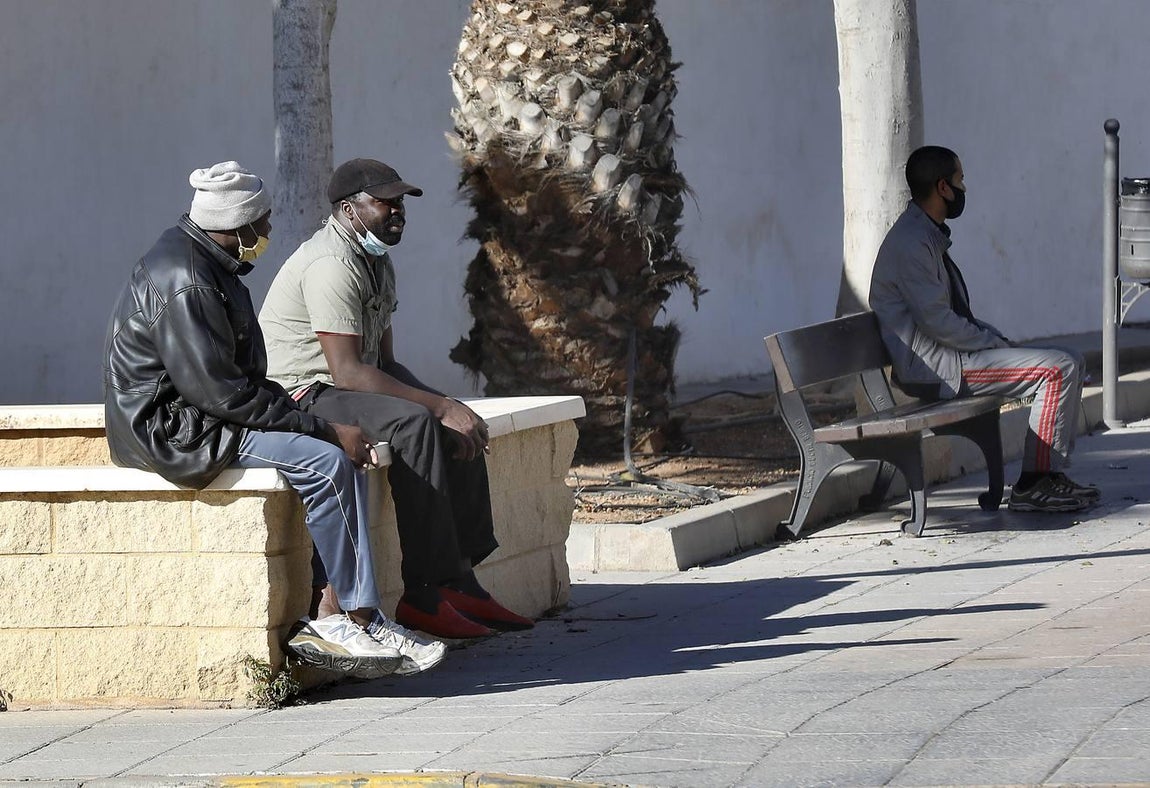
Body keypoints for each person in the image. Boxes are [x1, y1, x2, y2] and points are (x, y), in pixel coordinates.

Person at [102, 160, 446, 678]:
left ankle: (352, 615)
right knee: (327, 461)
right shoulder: (188, 279)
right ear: (235, 225)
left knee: (335, 454)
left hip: (206, 414)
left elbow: (241, 381)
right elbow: (220, 393)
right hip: (176, 431)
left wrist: (309, 422)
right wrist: (324, 427)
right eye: (260, 225)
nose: (266, 234)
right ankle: (344, 618)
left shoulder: (213, 263)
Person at [258, 158, 534, 639]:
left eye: (400, 202)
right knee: (416, 423)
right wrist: (436, 407)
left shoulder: (377, 261)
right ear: (349, 209)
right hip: (302, 392)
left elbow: (384, 364)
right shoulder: (331, 264)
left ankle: (460, 582)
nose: (397, 211)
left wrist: (450, 406)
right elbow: (347, 372)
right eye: (385, 202)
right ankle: (422, 594)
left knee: (454, 423)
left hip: (345, 384)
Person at [869, 146, 1099, 513]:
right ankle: (1034, 483)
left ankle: (1048, 476)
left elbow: (952, 316)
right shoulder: (912, 243)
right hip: (937, 368)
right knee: (1057, 369)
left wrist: (996, 342)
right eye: (960, 181)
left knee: (1070, 358)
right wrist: (992, 343)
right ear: (942, 187)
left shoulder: (924, 233)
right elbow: (939, 323)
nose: (964, 189)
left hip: (950, 358)